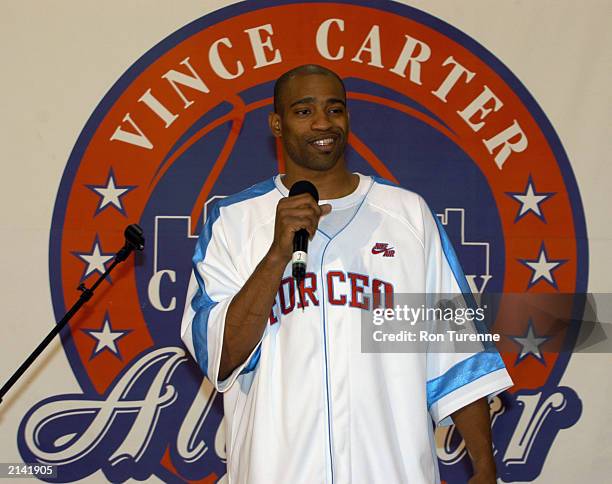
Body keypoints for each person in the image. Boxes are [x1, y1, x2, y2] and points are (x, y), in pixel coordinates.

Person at [181, 64, 513, 484]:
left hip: (391, 470)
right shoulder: (233, 221)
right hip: (277, 470)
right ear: (277, 125)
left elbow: (455, 353)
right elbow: (220, 356)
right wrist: (276, 257)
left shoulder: (407, 216)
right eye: (304, 111)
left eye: (334, 109)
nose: (323, 122)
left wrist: (484, 468)